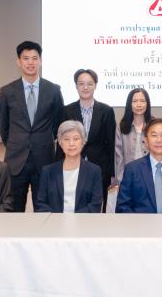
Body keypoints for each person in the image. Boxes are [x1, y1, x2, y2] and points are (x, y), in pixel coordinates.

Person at [0, 40, 64, 212]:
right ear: (18, 62)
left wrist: (43, 139)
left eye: (34, 58)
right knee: (14, 210)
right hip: (16, 161)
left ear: (40, 61)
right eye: (26, 58)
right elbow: (3, 126)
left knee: (45, 210)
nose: (30, 62)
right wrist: (16, 143)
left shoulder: (53, 90)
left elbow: (58, 122)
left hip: (45, 159)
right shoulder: (7, 91)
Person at [59, 69, 115, 211]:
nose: (85, 87)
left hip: (100, 168)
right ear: (76, 86)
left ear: (95, 85)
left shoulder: (106, 111)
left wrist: (112, 172)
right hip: (72, 166)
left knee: (98, 207)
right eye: (81, 83)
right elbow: (61, 141)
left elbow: (111, 143)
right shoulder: (66, 110)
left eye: (89, 84)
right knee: (73, 203)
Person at [36, 121, 102, 213]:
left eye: (76, 139)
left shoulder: (94, 171)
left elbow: (95, 206)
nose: (71, 143)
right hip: (55, 221)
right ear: (60, 143)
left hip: (83, 221)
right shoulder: (48, 171)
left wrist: (73, 219)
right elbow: (41, 204)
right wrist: (59, 219)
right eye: (66, 139)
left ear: (83, 142)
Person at [113, 88, 152, 187]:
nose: (139, 104)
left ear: (147, 104)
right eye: (134, 101)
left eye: (142, 101)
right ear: (129, 104)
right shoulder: (121, 126)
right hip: (129, 177)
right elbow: (119, 156)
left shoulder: (154, 125)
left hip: (151, 176)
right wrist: (121, 180)